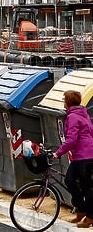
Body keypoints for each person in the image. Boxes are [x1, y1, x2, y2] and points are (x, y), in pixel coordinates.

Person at [53, 90, 93, 228]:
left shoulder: (73, 117)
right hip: (82, 155)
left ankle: (90, 217)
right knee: (70, 180)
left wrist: (58, 153)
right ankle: (81, 209)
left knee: (87, 187)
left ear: (68, 102)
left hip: (85, 156)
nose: (63, 102)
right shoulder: (83, 114)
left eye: (64, 100)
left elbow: (71, 140)